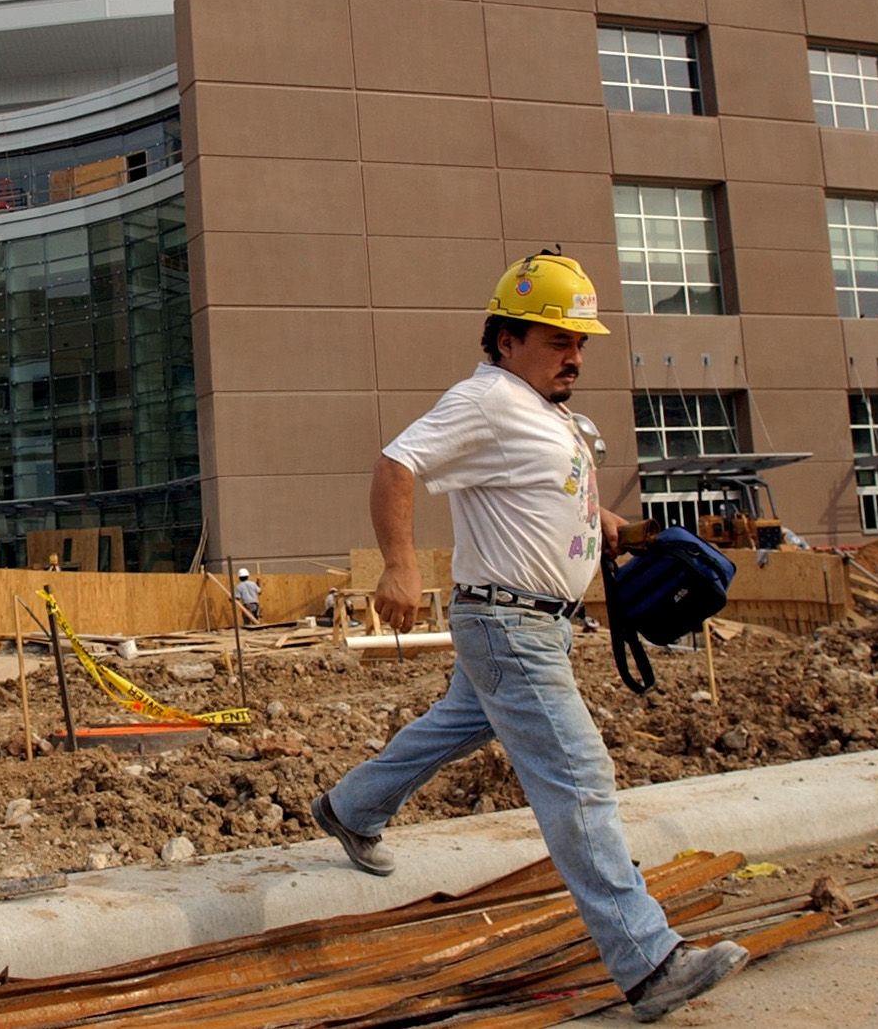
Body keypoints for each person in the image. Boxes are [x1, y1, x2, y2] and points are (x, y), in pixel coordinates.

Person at [308, 253, 747, 1024]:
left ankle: (351, 807)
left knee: (454, 724)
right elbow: (396, 464)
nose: (573, 354)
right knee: (577, 775)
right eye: (554, 339)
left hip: (534, 624)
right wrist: (400, 565)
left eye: (579, 341)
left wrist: (634, 534)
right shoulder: (486, 401)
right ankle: (649, 962)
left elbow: (568, 508)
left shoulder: (547, 415)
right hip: (507, 623)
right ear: (505, 340)